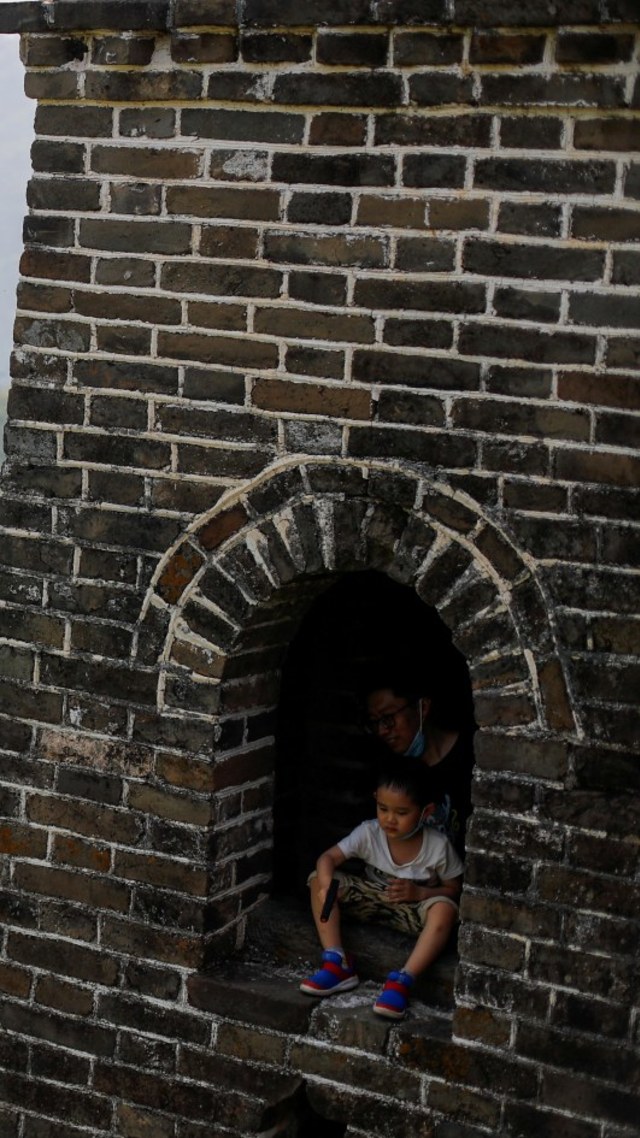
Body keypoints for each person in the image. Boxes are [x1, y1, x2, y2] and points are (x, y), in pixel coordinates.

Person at [299, 758, 463, 1019]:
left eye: (401, 813)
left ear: (426, 811)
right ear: (375, 799)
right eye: (383, 808)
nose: (389, 819)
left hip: (412, 911)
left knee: (445, 910)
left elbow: (455, 889)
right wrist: (327, 884)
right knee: (318, 878)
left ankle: (402, 981)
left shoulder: (437, 847)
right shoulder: (369, 833)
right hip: (370, 901)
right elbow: (326, 859)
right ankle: (336, 962)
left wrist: (421, 894)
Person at [364, 670, 475, 858]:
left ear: (422, 708)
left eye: (388, 717)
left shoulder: (471, 757)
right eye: (375, 723)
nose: (382, 731)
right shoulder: (388, 769)